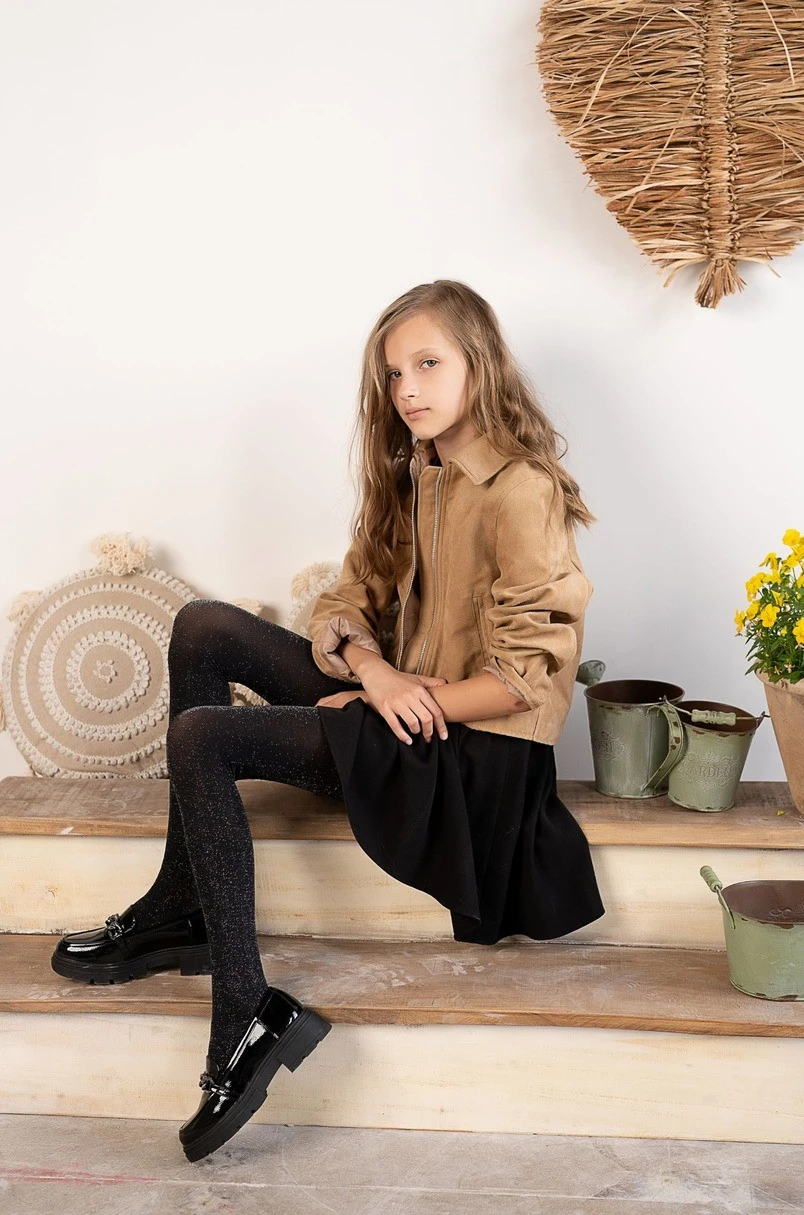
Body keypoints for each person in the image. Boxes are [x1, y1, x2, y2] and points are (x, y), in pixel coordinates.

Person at [50, 278, 605, 1162]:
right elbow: (347, 602)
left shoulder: (519, 489)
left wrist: (393, 699)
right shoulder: (414, 472)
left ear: (480, 364)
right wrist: (376, 673)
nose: (408, 389)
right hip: (405, 710)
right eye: (393, 374)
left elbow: (524, 683)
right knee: (203, 625)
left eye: (428, 364)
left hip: (471, 756)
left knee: (203, 736)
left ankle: (244, 1008)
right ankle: (181, 904)